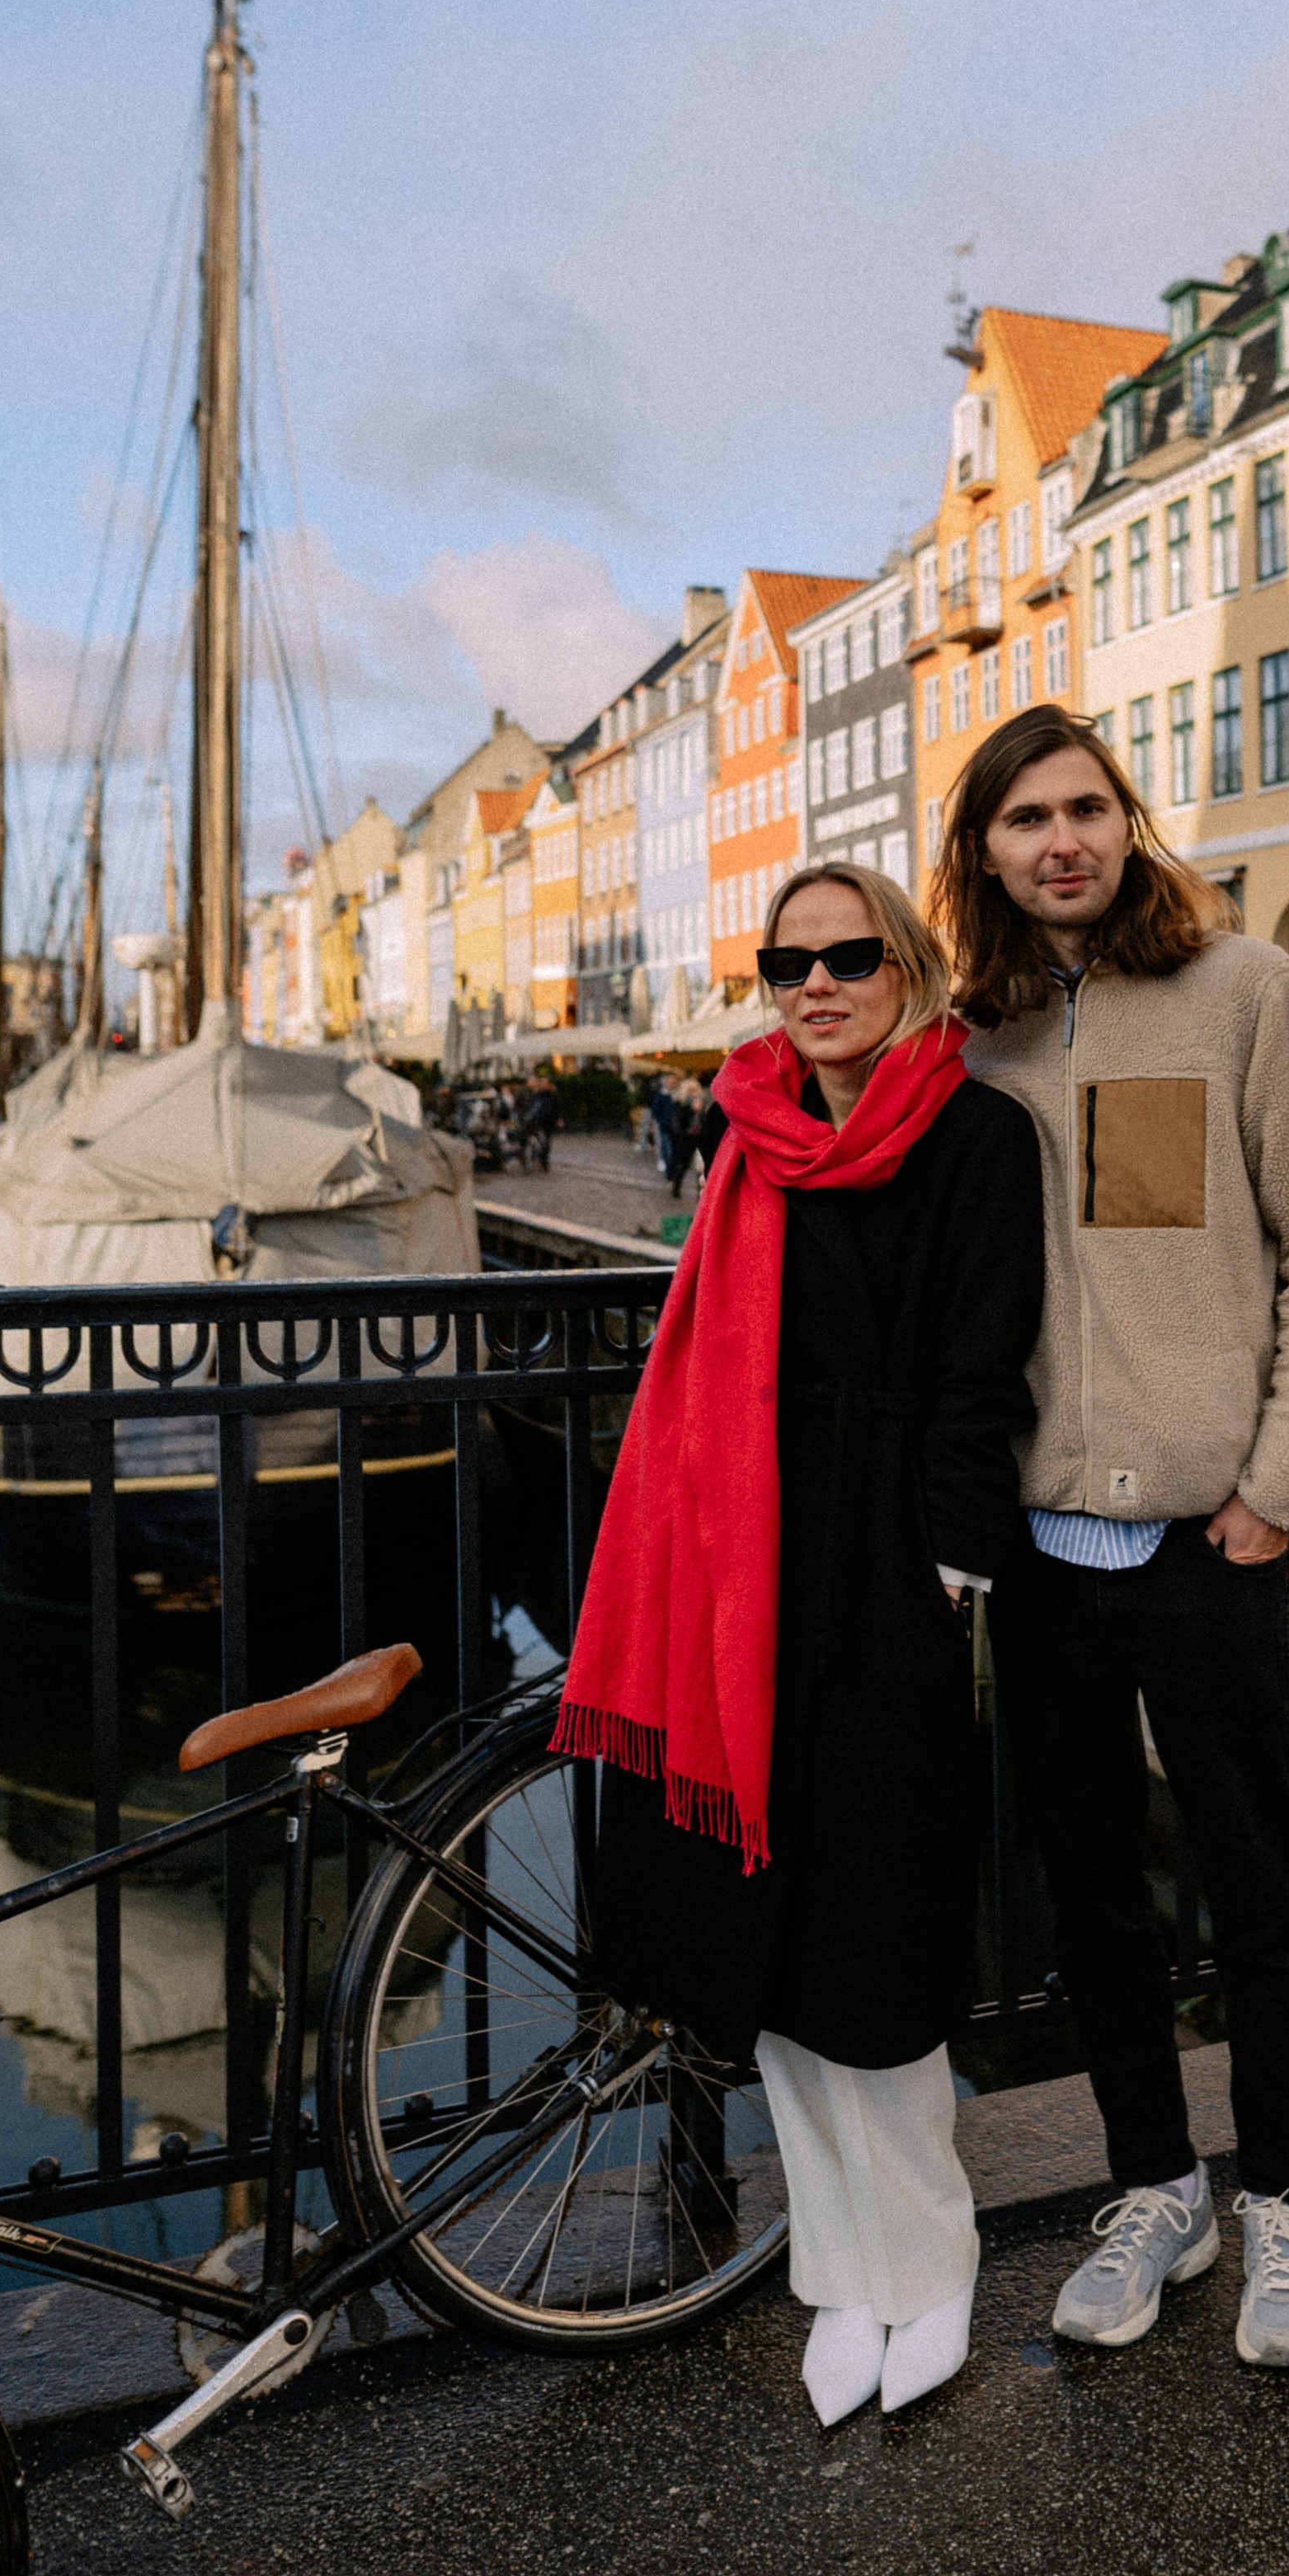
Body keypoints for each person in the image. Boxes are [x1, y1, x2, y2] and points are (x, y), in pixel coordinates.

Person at [556, 860, 1042, 2426]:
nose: (816, 985)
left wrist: (950, 1570)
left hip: (886, 1565)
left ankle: (933, 2260)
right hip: (740, 1568)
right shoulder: (748, 1134)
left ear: (907, 968)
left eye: (848, 957)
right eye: (788, 963)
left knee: (873, 1946)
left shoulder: (974, 1135)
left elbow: (983, 1369)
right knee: (769, 1955)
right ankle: (838, 2270)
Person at [934, 704, 1289, 2372]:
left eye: (1086, 807)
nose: (1061, 839)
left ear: (1126, 822)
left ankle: (1283, 2202)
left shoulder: (1241, 993)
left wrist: (1277, 1493)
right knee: (1095, 1907)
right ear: (983, 852)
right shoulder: (969, 1039)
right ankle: (1156, 2190)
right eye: (1025, 818)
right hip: (1044, 1553)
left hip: (1212, 1540)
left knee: (1257, 1894)